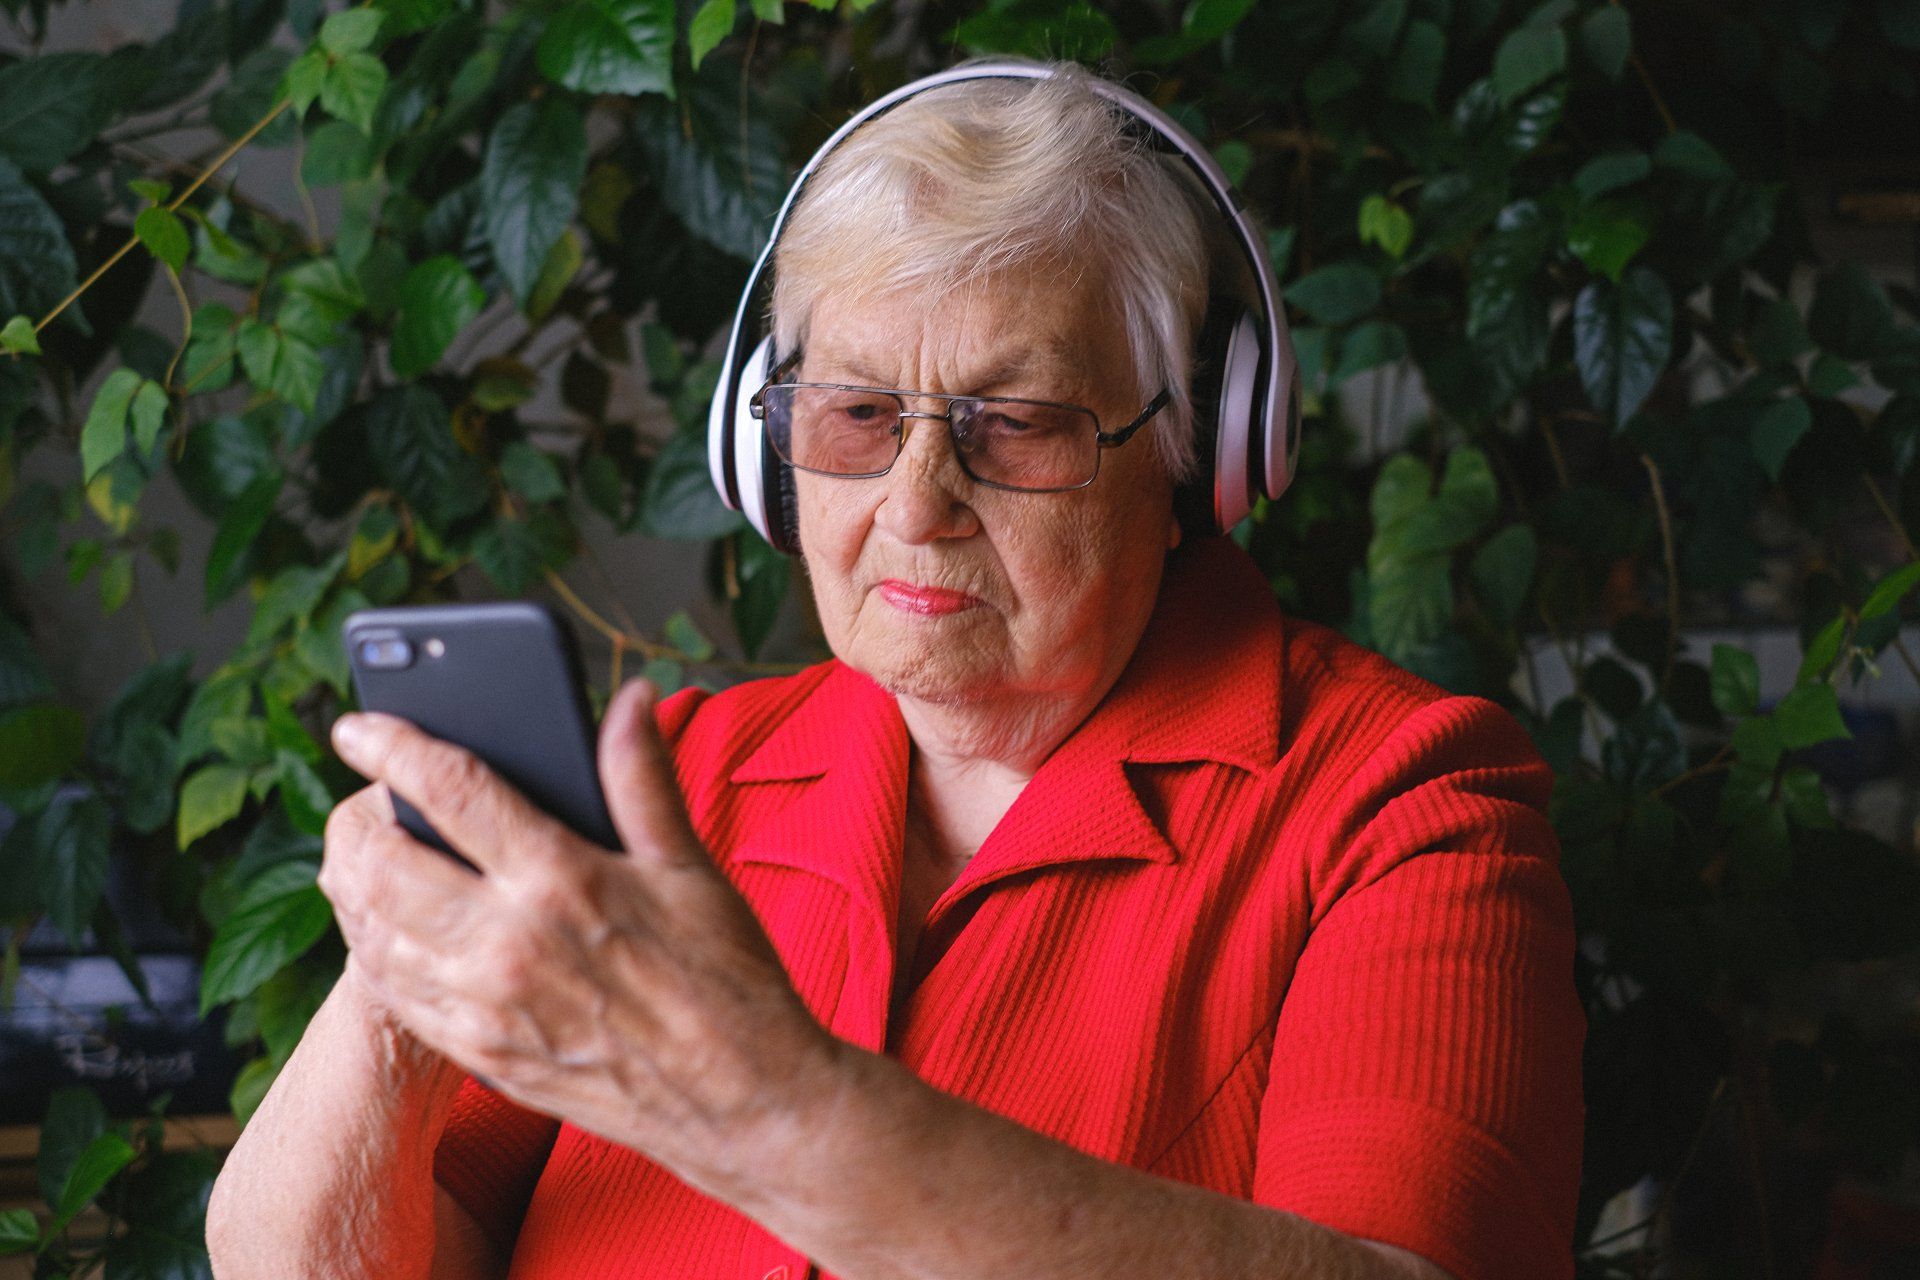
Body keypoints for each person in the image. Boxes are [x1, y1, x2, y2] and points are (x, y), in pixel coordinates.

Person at [207, 59, 1584, 1280]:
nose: (919, 500)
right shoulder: (675, 778)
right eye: (858, 414)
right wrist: (401, 966)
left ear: (1195, 457)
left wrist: (762, 1101)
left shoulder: (1400, 809)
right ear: (765, 447)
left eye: (1020, 423)